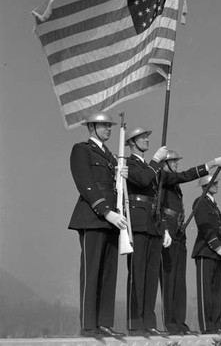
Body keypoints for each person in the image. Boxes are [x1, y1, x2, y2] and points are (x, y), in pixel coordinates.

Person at [68, 111, 128, 339]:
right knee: (92, 272)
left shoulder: (112, 156)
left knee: (108, 274)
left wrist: (121, 175)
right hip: (94, 218)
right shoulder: (81, 149)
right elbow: (85, 183)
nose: (109, 129)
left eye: (110, 126)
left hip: (113, 220)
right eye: (104, 126)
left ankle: (104, 323)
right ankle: (88, 325)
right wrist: (105, 211)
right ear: (91, 127)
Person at [160, 150, 221, 334]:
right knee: (169, 281)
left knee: (179, 282)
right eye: (173, 161)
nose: (176, 164)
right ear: (164, 164)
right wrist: (212, 162)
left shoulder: (173, 185)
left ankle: (180, 324)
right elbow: (184, 177)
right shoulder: (162, 178)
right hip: (167, 231)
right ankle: (171, 324)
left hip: (179, 232)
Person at [125, 126, 172, 336]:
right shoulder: (128, 163)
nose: (146, 140)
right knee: (137, 273)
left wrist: (209, 166)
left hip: (153, 223)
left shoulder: (149, 166)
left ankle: (149, 322)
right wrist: (155, 160)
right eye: (142, 137)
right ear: (132, 142)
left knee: (151, 276)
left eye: (147, 136)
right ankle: (136, 323)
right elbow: (143, 179)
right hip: (137, 222)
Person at [191, 175, 221, 335]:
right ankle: (207, 326)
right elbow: (205, 228)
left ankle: (216, 324)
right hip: (205, 251)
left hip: (215, 253)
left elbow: (218, 228)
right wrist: (217, 247)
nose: (217, 185)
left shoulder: (213, 205)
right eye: (213, 183)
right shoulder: (200, 201)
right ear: (205, 185)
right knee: (206, 292)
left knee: (216, 292)